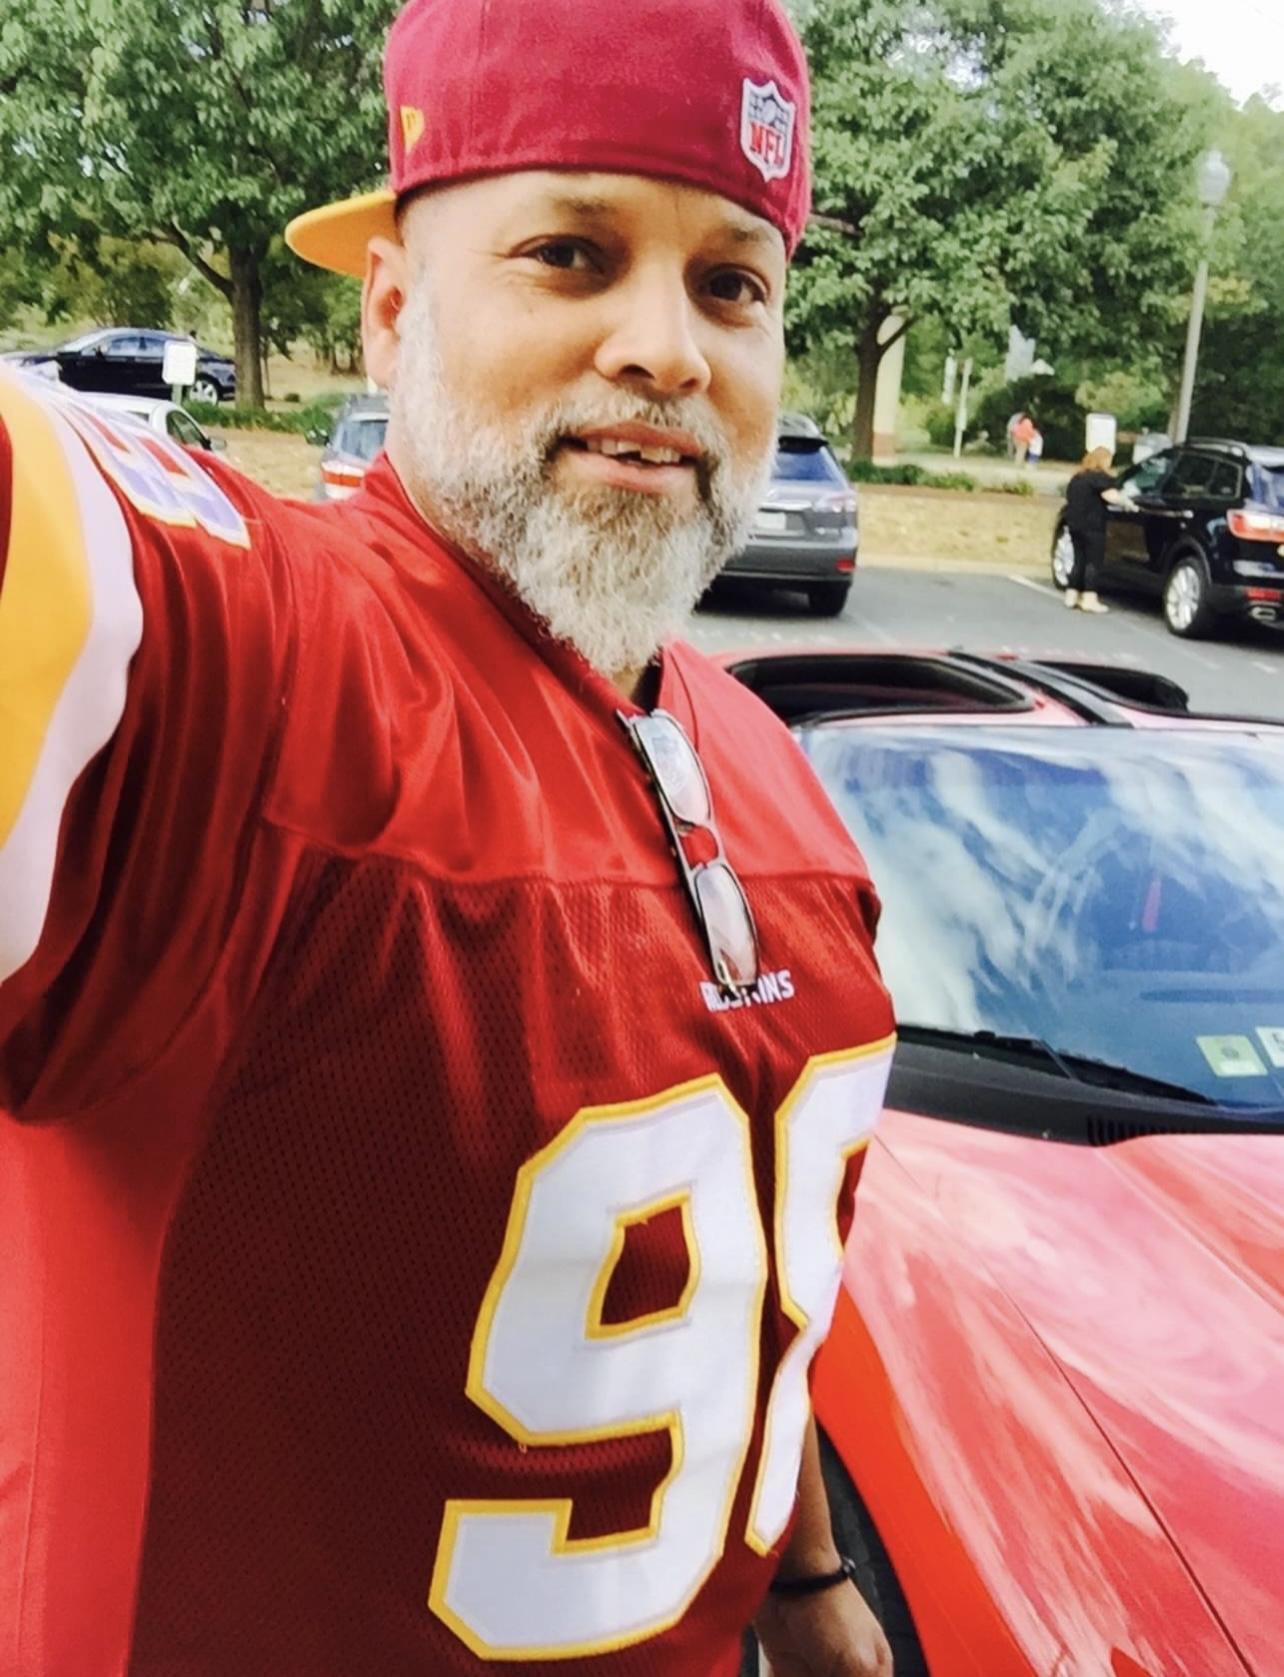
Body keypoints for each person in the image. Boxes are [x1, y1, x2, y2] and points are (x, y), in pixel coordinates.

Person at [0, 2, 897, 1674]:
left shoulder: (770, 765)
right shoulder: (263, 679)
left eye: (732, 284)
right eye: (571, 253)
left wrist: (804, 1574)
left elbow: (753, 1265)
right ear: (391, 310)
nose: (668, 349)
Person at [1063, 445, 1128, 612]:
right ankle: (1089, 598)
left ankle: (1071, 595)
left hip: (1074, 524)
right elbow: (1111, 497)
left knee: (1079, 560)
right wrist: (1127, 502)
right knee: (1093, 562)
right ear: (1104, 461)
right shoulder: (1101, 479)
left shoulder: (1077, 478)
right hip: (1093, 526)